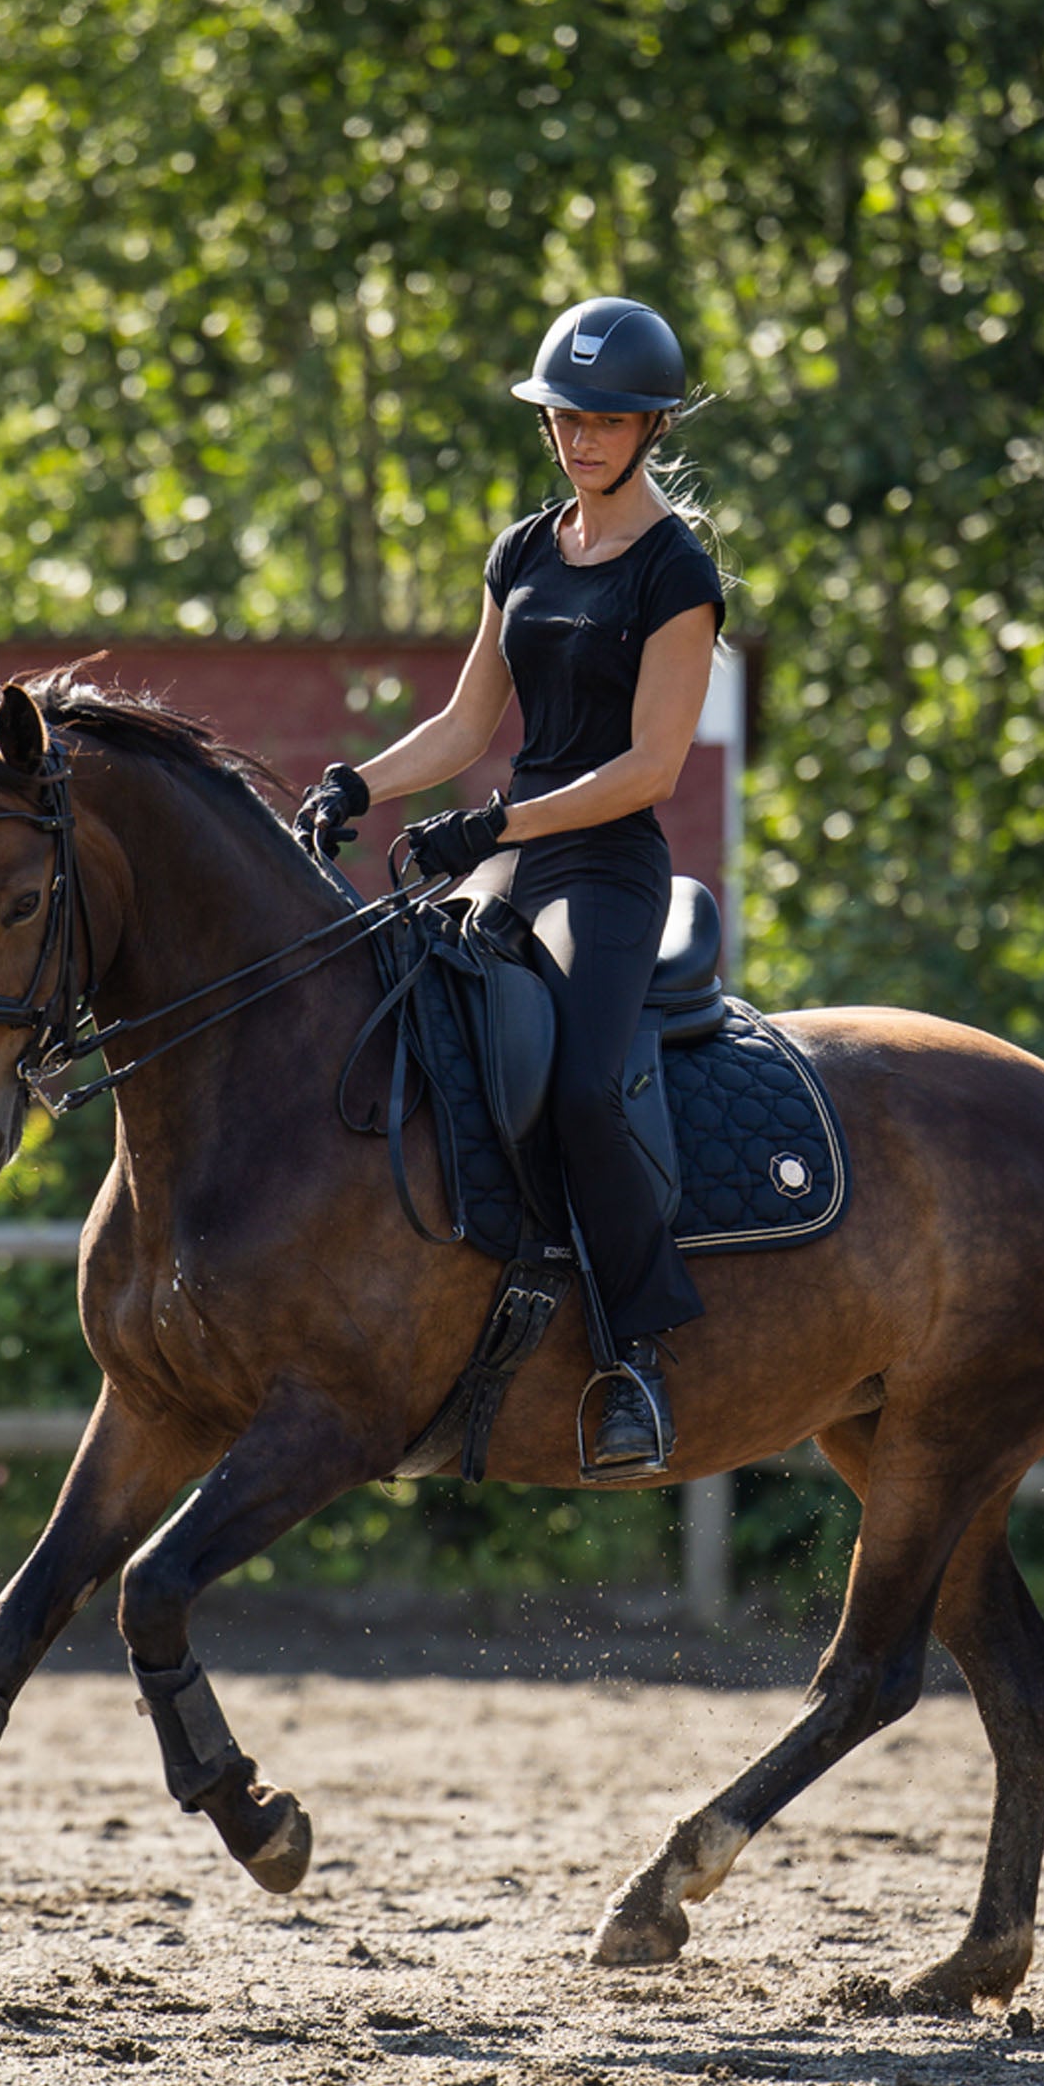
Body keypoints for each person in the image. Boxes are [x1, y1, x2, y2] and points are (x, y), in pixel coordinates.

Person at [294, 295, 725, 1472]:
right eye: (564, 418)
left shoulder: (677, 572)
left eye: (605, 421)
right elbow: (463, 721)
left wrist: (496, 819)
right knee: (401, 1026)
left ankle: (637, 1354)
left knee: (583, 1086)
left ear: (652, 424)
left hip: (605, 868)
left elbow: (648, 770)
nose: (580, 439)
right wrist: (355, 785)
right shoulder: (525, 551)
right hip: (509, 855)